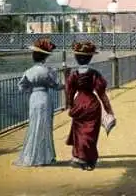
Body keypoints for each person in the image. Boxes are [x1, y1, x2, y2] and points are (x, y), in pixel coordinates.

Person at [66, 40, 114, 171]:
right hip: (93, 105)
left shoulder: (73, 75)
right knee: (91, 134)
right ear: (90, 58)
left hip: (79, 104)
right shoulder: (94, 74)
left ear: (76, 58)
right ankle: (89, 160)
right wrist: (109, 111)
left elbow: (69, 93)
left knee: (79, 132)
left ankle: (79, 157)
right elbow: (102, 94)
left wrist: (71, 106)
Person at [13, 38, 58, 167]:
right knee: (45, 126)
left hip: (34, 98)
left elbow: (21, 87)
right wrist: (66, 85)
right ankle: (45, 156)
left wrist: (31, 89)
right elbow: (55, 86)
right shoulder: (49, 71)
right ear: (44, 57)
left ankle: (31, 155)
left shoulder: (28, 71)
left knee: (34, 125)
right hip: (44, 97)